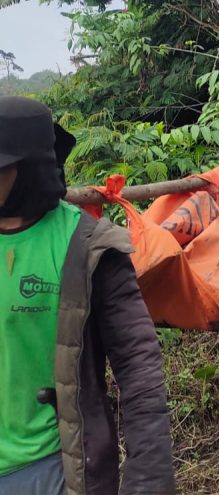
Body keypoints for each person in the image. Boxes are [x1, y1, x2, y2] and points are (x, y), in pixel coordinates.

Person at [0, 96, 175, 495]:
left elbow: (138, 367)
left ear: (27, 168)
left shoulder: (87, 247)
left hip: (50, 469)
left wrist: (148, 479)